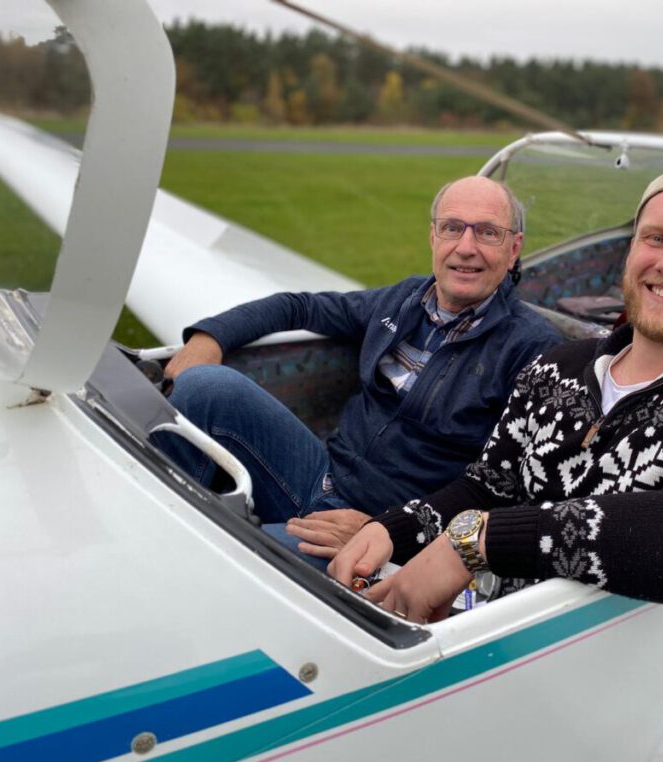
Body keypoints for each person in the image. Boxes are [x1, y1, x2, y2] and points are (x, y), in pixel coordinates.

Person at [329, 162, 663, 622]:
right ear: (632, 252)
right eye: (656, 238)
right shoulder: (556, 368)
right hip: (474, 630)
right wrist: (392, 530)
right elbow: (488, 486)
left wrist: (478, 541)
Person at [156, 176, 562, 561]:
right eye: (452, 228)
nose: (466, 247)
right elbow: (300, 306)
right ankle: (157, 514)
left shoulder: (533, 349)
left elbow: (508, 491)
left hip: (386, 536)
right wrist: (211, 337)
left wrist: (387, 531)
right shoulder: (405, 300)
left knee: (230, 552)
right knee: (203, 384)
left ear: (514, 250)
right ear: (433, 237)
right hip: (320, 473)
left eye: (488, 232)